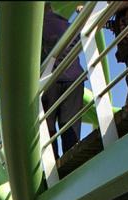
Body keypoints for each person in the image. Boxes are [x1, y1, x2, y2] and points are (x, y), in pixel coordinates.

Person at [41, 3, 85, 159]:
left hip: (50, 80)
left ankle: (53, 163)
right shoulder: (66, 24)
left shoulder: (37, 29)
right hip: (74, 77)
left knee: (48, 126)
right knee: (70, 123)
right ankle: (71, 158)